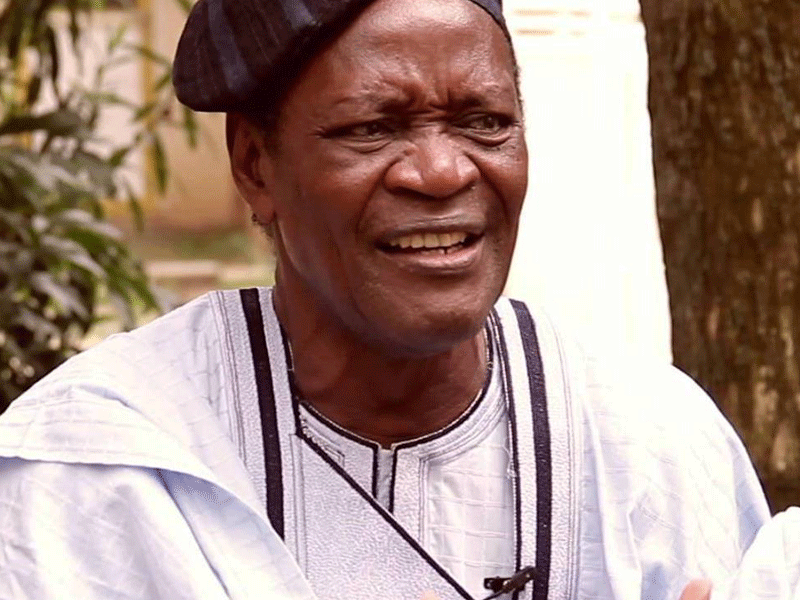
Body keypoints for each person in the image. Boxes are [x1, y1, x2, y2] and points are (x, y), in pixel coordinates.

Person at [0, 0, 777, 599]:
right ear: (256, 166)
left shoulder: (648, 449)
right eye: (373, 128)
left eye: (484, 122)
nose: (442, 172)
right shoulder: (104, 476)